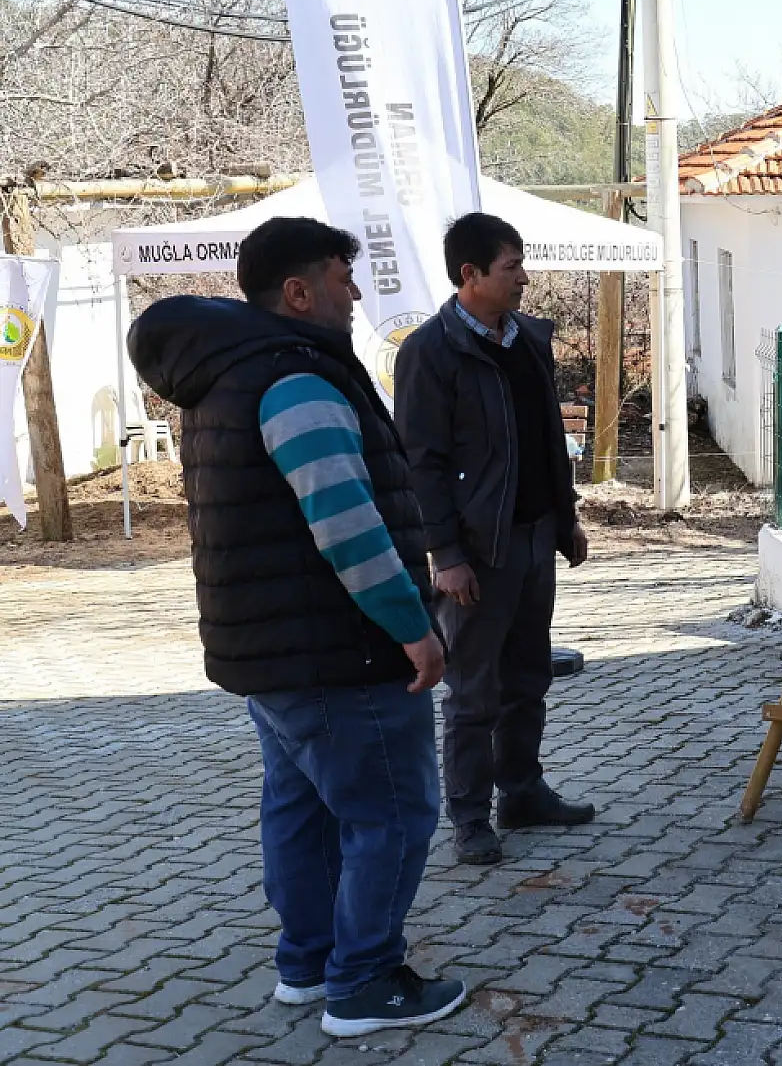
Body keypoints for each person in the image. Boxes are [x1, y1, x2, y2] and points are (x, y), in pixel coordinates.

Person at [127, 218, 465, 1037]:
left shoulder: (228, 377)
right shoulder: (296, 378)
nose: (356, 293)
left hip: (274, 655)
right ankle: (364, 981)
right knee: (394, 813)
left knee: (302, 808)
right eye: (342, 278)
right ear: (298, 291)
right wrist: (414, 626)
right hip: (340, 653)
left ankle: (308, 962)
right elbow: (346, 524)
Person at [393, 212, 593, 868]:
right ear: (469, 274)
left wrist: (565, 519)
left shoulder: (529, 339)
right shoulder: (429, 352)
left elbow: (546, 442)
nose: (524, 278)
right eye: (512, 267)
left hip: (535, 540)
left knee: (528, 679)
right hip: (477, 554)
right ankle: (471, 817)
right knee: (474, 693)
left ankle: (523, 792)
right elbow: (421, 464)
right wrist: (446, 555)